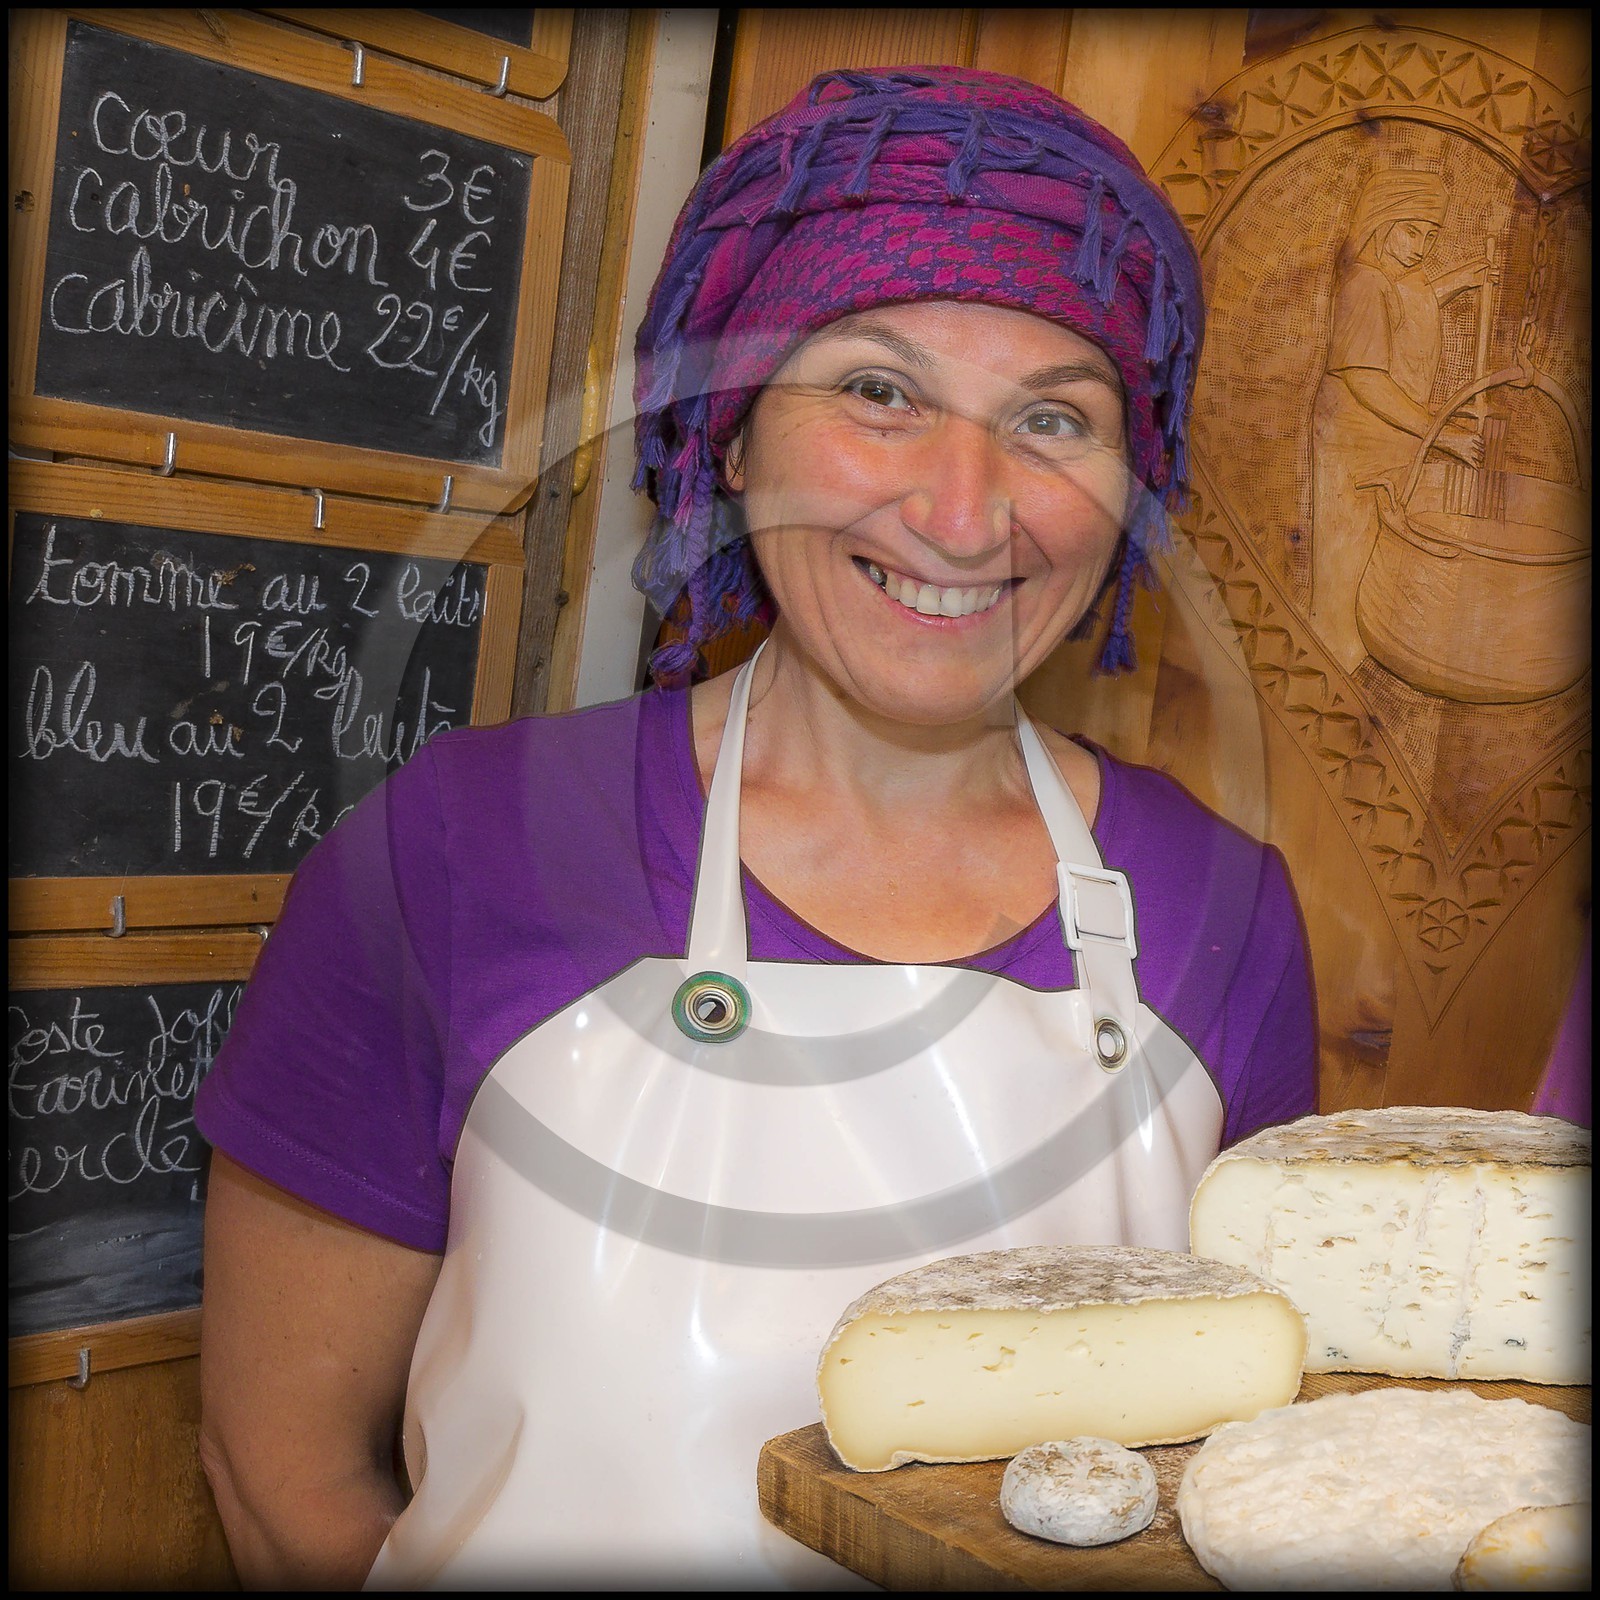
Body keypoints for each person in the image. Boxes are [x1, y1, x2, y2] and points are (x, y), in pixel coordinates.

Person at [194, 66, 1318, 1590]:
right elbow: (282, 1476)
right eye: (879, 393)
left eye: (1055, 418)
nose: (967, 510)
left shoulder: (1217, 904)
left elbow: (1233, 1481)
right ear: (730, 443)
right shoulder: (460, 850)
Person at [1308, 167, 1496, 671]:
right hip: (1356, 454)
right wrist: (1443, 434)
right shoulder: (1365, 284)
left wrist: (1459, 280)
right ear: (1382, 221)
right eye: (1411, 230)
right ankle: (1329, 676)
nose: (1421, 247)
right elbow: (1370, 384)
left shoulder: (1395, 280)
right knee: (1347, 581)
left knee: (1379, 574)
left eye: (1430, 236)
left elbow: (1411, 305)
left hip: (1391, 452)